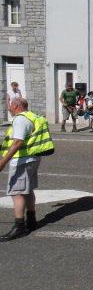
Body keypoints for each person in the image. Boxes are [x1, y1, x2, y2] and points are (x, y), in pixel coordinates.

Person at [0, 98, 55, 241]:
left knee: (17, 192)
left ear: (16, 106)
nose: (9, 109)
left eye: (10, 106)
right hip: (33, 158)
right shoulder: (32, 116)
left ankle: (19, 227)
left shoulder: (20, 120)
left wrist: (3, 161)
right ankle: (31, 221)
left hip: (22, 160)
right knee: (28, 189)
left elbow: (18, 141)